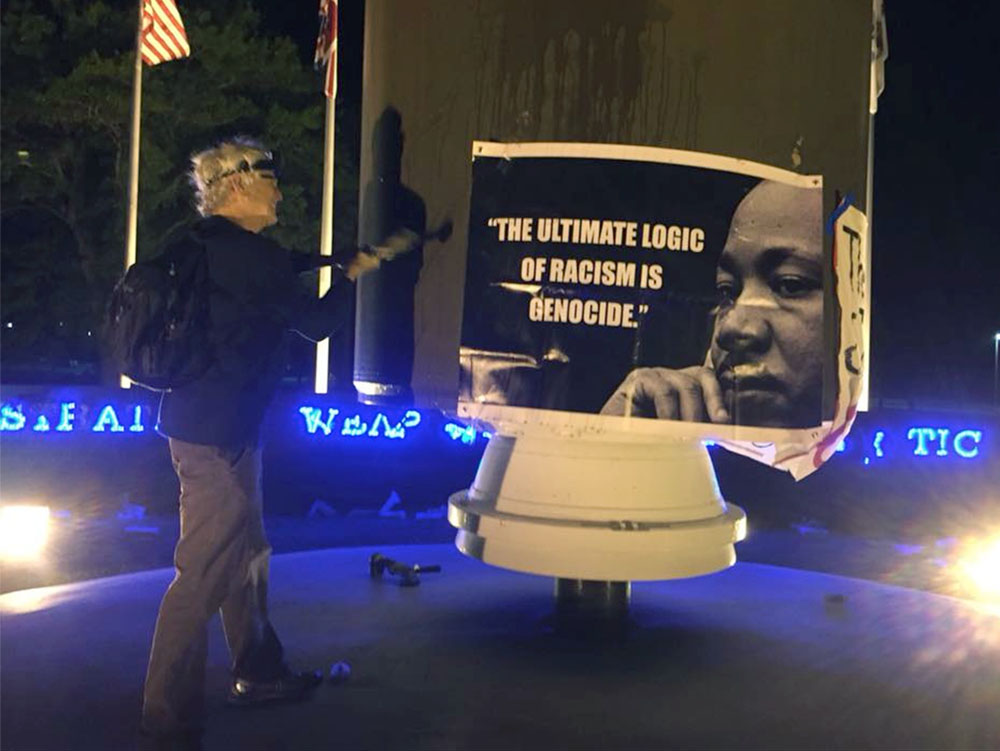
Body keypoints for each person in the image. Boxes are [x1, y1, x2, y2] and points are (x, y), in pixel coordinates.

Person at [140, 137, 379, 749]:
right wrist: (350, 277)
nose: (281, 191)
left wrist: (326, 260)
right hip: (220, 437)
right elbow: (318, 325)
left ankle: (258, 670)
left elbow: (277, 266)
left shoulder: (198, 245)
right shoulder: (255, 259)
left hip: (202, 423)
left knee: (245, 552)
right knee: (202, 575)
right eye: (271, 180)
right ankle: (166, 722)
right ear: (240, 187)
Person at [602, 179, 824, 429]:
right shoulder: (673, 435)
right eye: (726, 291)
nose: (729, 328)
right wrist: (607, 446)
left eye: (790, 284)